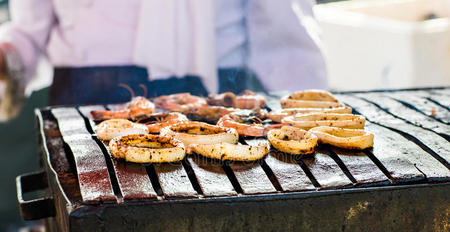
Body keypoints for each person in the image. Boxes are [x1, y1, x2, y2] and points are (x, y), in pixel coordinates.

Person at [0, 0, 327, 120]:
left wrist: (307, 114)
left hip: (214, 98)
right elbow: (29, 32)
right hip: (86, 102)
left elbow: (285, 36)